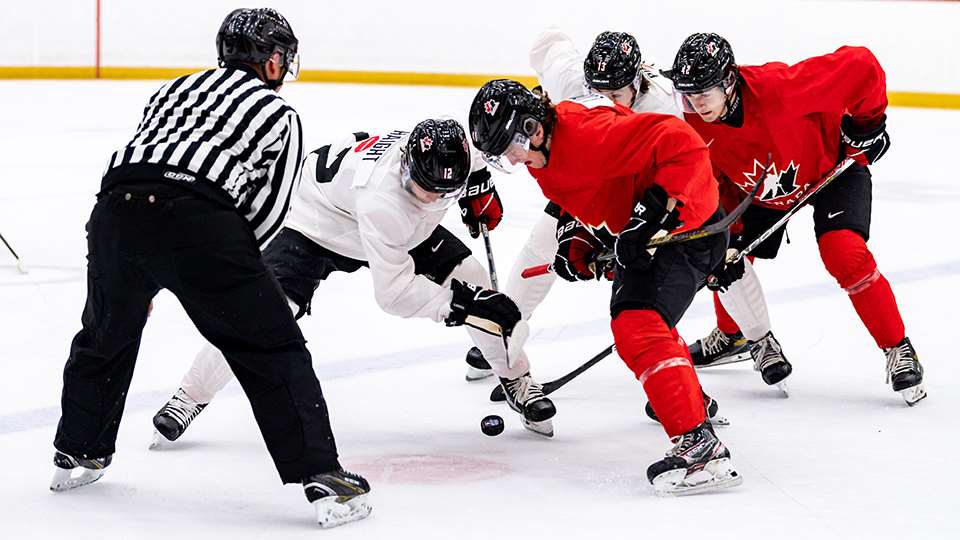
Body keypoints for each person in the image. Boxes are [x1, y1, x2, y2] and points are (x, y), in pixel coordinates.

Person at [49, 8, 373, 528]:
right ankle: (322, 477)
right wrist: (237, 273)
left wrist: (141, 269)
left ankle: (78, 450)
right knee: (272, 345)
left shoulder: (177, 86)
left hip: (115, 210)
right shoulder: (277, 112)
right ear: (271, 60)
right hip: (197, 218)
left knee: (105, 332)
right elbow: (268, 210)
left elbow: (144, 158)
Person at [149, 118, 557, 441]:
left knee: (474, 278)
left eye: (444, 193)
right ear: (406, 167)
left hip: (389, 222)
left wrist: (476, 187)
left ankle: (515, 377)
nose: (432, 199)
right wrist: (462, 306)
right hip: (316, 225)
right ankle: (189, 396)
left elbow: (480, 157)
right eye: (426, 189)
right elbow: (393, 293)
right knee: (266, 312)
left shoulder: (451, 157)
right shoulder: (386, 202)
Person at [466, 29, 783, 394]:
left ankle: (757, 340)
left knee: (712, 262)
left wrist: (653, 217)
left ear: (637, 82)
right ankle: (504, 334)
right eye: (595, 89)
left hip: (652, 194)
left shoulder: (664, 105)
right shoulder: (570, 83)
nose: (603, 99)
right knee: (540, 250)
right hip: (578, 182)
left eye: (614, 93)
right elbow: (548, 45)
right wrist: (477, 171)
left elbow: (689, 160)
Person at [469, 79, 742, 495]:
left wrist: (655, 214)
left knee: (639, 325)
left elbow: (682, 144)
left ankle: (699, 447)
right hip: (655, 235)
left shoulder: (586, 136)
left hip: (687, 232)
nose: (512, 158)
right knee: (644, 322)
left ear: (533, 128)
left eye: (511, 146)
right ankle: (687, 400)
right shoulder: (545, 154)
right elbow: (587, 191)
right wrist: (580, 238)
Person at [662, 33, 925, 405]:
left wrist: (867, 124)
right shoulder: (693, 120)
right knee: (728, 260)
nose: (696, 102)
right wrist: (724, 236)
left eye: (704, 91)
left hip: (830, 170)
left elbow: (862, 65)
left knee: (844, 253)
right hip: (762, 194)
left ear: (729, 81)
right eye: (688, 92)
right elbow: (714, 176)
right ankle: (733, 334)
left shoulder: (780, 89)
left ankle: (898, 348)